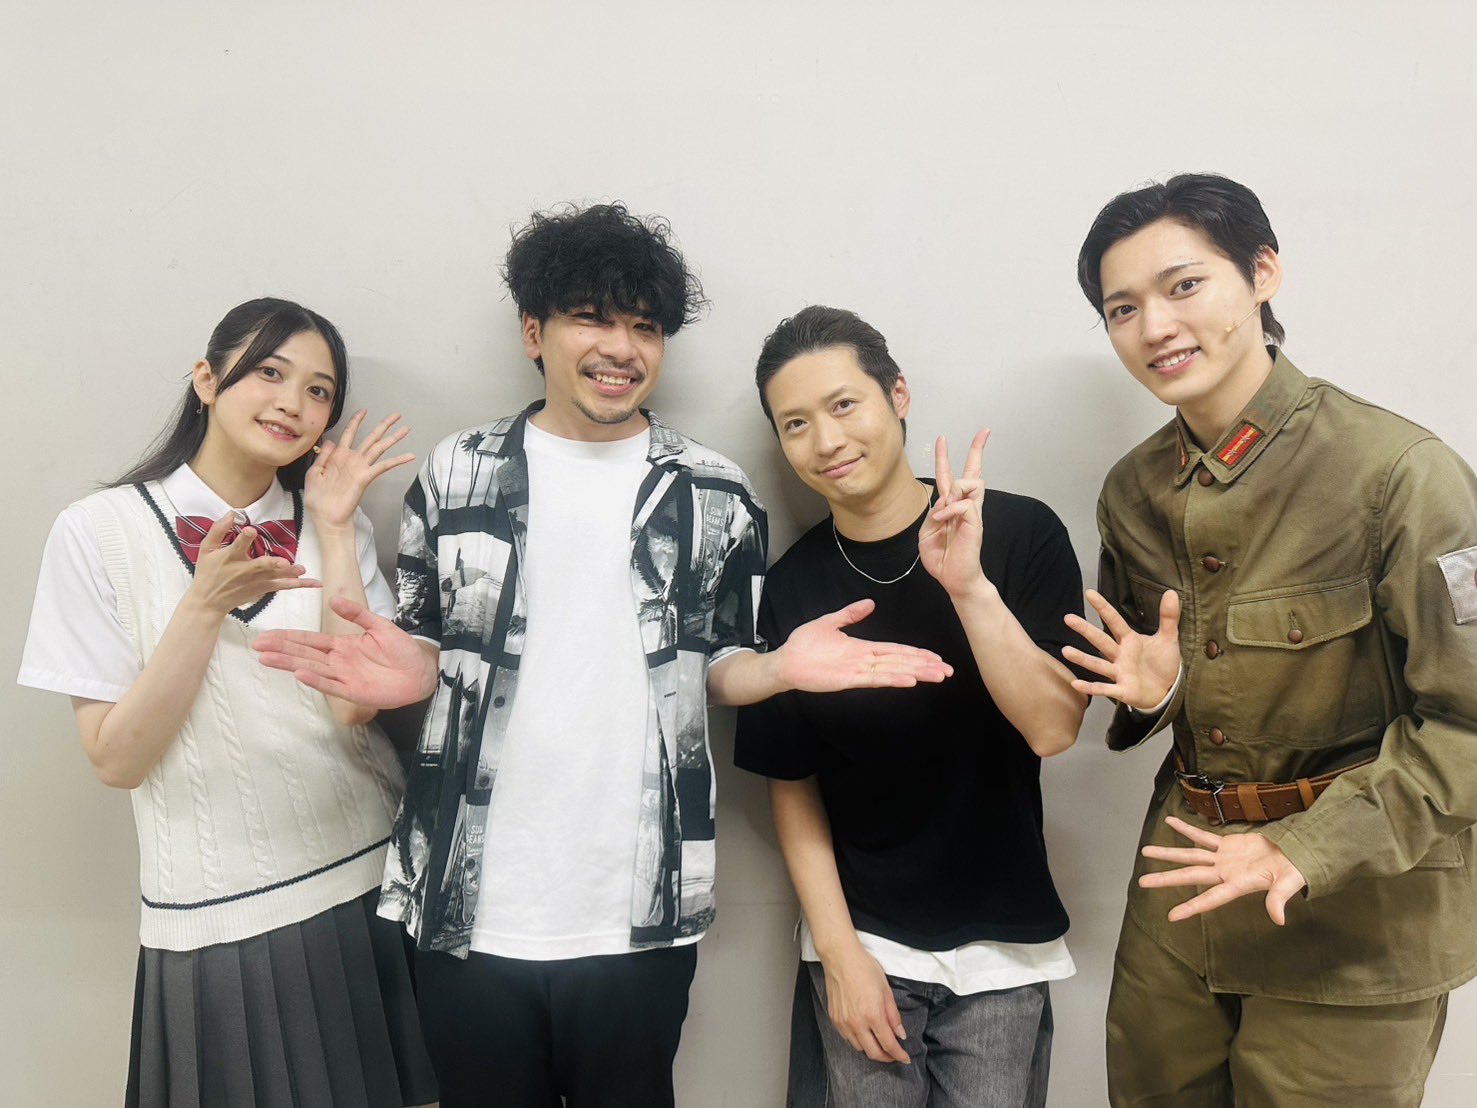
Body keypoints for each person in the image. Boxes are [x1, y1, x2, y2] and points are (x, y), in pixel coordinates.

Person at [253, 206, 954, 1107]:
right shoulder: (458, 470)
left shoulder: (713, 488)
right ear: (534, 332)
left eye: (644, 326)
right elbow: (426, 637)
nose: (621, 348)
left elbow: (717, 667)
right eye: (591, 317)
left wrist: (777, 668)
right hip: (464, 899)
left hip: (639, 908)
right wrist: (415, 672)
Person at [1068, 173, 1477, 1105]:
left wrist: (1305, 848)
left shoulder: (1402, 474)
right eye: (1121, 309)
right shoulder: (1132, 491)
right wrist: (1156, 693)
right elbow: (1162, 685)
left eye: (1183, 286)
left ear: (1262, 273)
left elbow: (1470, 725)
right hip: (1181, 905)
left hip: (1357, 915)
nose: (1154, 327)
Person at [17, 298, 436, 1106]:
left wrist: (335, 527)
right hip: (215, 909)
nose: (292, 402)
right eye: (269, 372)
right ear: (207, 381)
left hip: (370, 877)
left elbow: (351, 711)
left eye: (318, 390)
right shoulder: (97, 530)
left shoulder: (330, 523)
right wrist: (203, 605)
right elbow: (116, 759)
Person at [734, 306, 1089, 1107]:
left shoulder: (1019, 533)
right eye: (795, 424)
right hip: (861, 945)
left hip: (1004, 947)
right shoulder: (793, 586)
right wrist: (839, 955)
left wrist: (968, 587)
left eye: (843, 405)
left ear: (897, 394)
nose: (826, 440)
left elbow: (1053, 728)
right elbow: (791, 784)